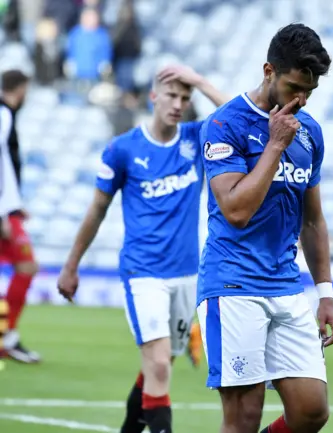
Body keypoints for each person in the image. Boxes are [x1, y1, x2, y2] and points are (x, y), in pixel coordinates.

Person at [57, 64, 228, 433]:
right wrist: (71, 266)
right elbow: (96, 211)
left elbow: (238, 117)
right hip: (143, 274)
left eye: (186, 97)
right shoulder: (122, 150)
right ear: (153, 97)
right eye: (171, 95)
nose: (179, 104)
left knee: (160, 362)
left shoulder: (197, 139)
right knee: (161, 367)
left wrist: (199, 80)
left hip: (186, 274)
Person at [197, 23, 333, 433]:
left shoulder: (309, 132)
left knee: (312, 411)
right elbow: (236, 210)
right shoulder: (225, 125)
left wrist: (326, 293)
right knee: (243, 417)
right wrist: (275, 144)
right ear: (268, 71)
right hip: (233, 284)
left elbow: (312, 219)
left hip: (286, 285)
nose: (301, 100)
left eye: (309, 92)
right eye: (295, 87)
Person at [0, 69, 41, 364]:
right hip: (2, 211)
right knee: (26, 266)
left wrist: (15, 202)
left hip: (8, 207)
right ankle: (7, 336)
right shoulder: (3, 114)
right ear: (21, 88)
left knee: (26, 267)